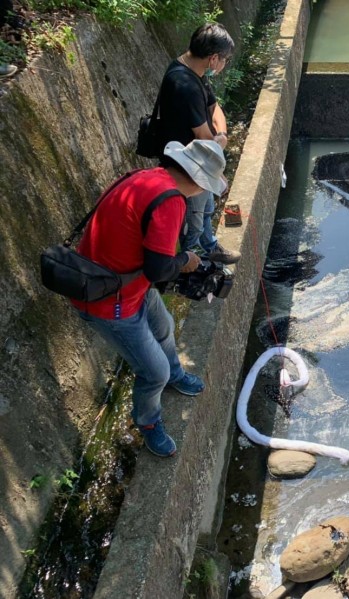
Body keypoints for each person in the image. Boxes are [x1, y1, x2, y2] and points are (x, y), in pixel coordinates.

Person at [72, 140, 227, 457]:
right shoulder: (171, 201)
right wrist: (186, 261)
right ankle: (149, 423)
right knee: (153, 371)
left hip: (127, 282)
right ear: (198, 182)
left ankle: (176, 375)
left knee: (164, 326)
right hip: (108, 301)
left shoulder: (146, 176)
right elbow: (159, 269)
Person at [154, 22, 240, 264]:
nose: (224, 64)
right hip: (188, 165)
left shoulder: (195, 71)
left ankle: (209, 246)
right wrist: (218, 169)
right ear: (213, 59)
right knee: (196, 212)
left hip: (200, 158)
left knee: (206, 206)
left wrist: (221, 135)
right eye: (225, 59)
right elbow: (203, 137)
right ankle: (191, 262)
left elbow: (215, 108)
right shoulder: (185, 85)